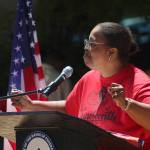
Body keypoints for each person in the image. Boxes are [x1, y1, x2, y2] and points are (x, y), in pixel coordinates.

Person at [11, 22, 150, 150]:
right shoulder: (88, 78)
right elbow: (71, 107)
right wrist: (32, 105)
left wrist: (125, 104)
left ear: (111, 52)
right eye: (86, 42)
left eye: (92, 44)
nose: (86, 48)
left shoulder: (139, 83)